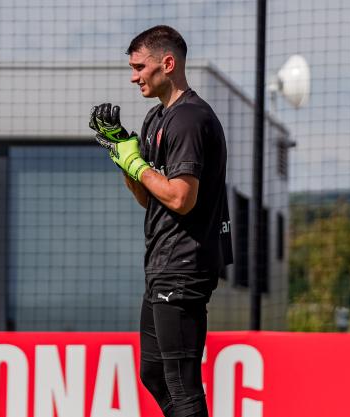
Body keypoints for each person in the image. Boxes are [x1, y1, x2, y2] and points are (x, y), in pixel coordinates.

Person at [90, 25, 232, 417]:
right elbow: (147, 197)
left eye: (140, 66)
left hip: (184, 267)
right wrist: (122, 151)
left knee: (183, 385)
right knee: (153, 373)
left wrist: (135, 162)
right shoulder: (156, 119)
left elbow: (181, 199)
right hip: (160, 266)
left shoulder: (190, 119)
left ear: (167, 64)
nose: (134, 76)